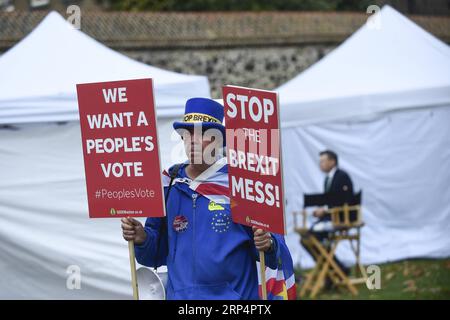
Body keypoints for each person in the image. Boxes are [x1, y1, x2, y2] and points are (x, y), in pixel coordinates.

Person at [121, 97, 295, 300]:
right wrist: (142, 238)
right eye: (187, 134)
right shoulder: (169, 183)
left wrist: (268, 243)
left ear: (217, 140)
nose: (193, 140)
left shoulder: (242, 183)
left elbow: (270, 255)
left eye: (202, 133)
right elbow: (153, 256)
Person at [301, 150, 354, 278]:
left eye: (323, 161)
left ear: (332, 161)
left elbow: (345, 199)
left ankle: (334, 271)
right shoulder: (328, 179)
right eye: (320, 161)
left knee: (312, 236)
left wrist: (325, 210)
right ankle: (335, 270)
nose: (321, 164)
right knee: (306, 239)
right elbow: (331, 200)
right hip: (330, 216)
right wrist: (322, 209)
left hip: (340, 218)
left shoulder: (342, 176)